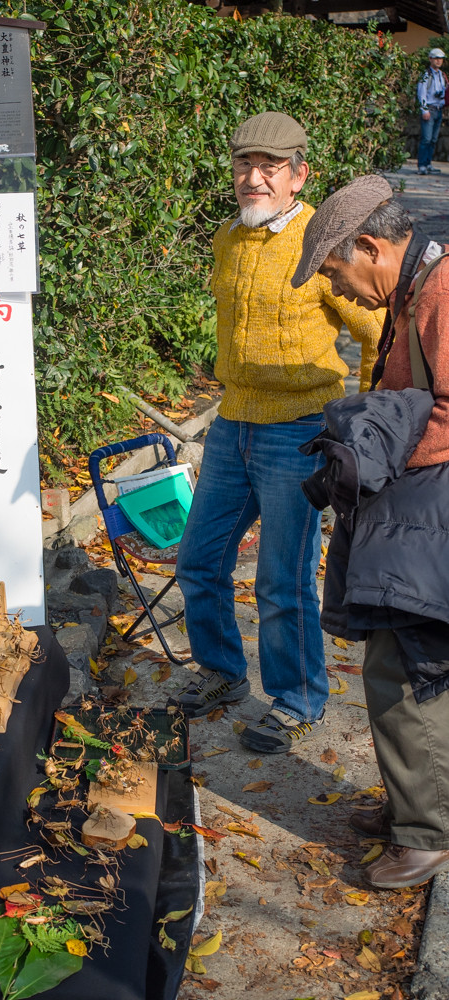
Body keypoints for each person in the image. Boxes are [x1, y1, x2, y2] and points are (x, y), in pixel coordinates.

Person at [174, 112, 384, 754]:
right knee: (198, 559)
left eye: (270, 167)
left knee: (281, 580)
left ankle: (297, 699)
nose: (254, 178)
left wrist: (369, 423)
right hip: (231, 423)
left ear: (299, 175)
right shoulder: (228, 236)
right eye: (245, 165)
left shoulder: (322, 242)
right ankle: (221, 671)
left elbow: (376, 330)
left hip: (296, 432)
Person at [291, 174, 449, 889]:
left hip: (432, 516)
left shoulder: (440, 293)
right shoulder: (415, 289)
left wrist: (378, 449)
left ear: (370, 247)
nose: (339, 290)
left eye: (335, 272)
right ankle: (412, 805)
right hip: (420, 512)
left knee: (407, 666)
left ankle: (426, 832)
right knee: (405, 657)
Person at [417, 47, 447, 175]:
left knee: (434, 139)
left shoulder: (442, 75)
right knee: (426, 139)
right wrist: (424, 110)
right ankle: (422, 165)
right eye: (436, 58)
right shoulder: (426, 75)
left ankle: (428, 163)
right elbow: (421, 93)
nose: (438, 61)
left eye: (440, 59)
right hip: (429, 109)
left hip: (439, 109)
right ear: (430, 59)